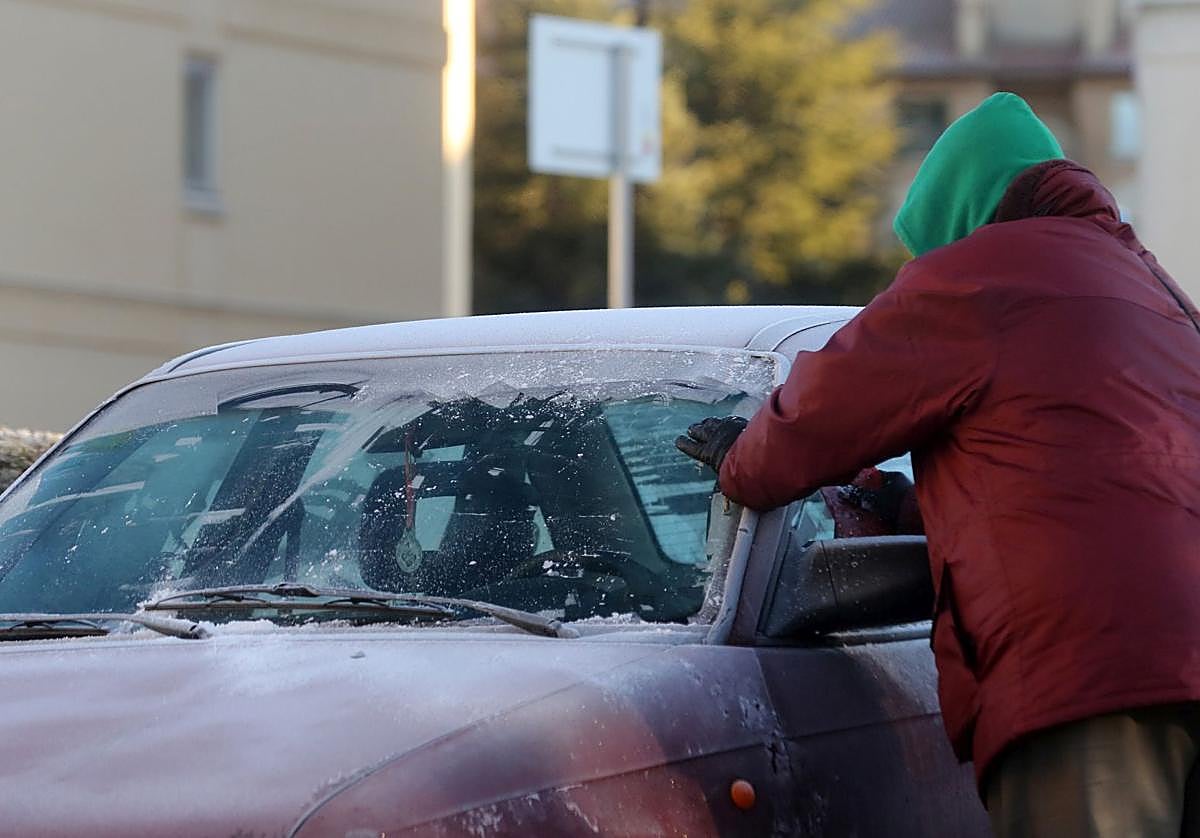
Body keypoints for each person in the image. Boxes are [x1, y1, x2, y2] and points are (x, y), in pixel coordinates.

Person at [676, 92, 1200, 837]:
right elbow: (1095, 474)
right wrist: (907, 510)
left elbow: (820, 415)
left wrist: (742, 459)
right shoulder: (1153, 289)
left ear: (958, 215)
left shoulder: (976, 277)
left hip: (1091, 677)